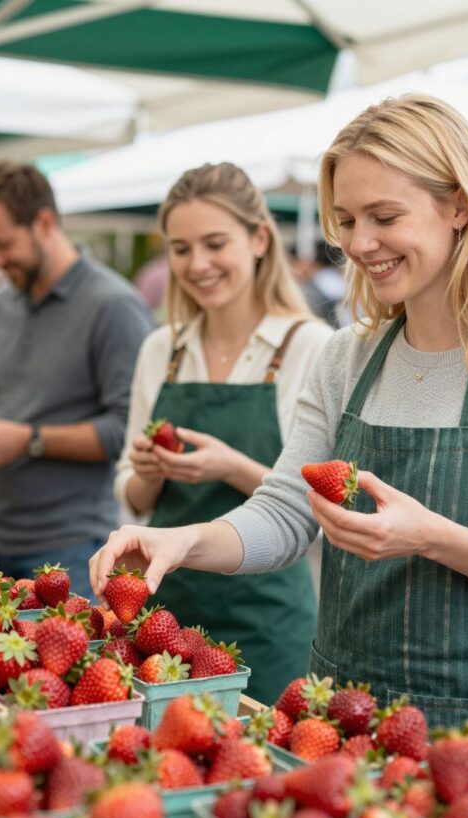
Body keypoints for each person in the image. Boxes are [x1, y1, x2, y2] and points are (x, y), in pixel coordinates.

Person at [91, 95, 468, 754]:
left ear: (459, 205)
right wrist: (183, 541)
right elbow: (285, 513)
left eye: (385, 216)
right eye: (345, 220)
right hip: (341, 721)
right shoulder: (347, 357)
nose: (360, 243)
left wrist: (432, 537)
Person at [115, 163, 333, 703]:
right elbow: (134, 497)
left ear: (260, 239)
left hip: (267, 618)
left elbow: (327, 507)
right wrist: (146, 472)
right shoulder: (161, 350)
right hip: (165, 615)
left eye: (215, 244)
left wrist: (229, 466)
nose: (198, 264)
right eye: (181, 249)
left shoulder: (312, 347)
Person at [0, 162, 153, 581]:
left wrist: (28, 440)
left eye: (3, 244)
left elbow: (128, 430)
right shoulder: (3, 304)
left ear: (44, 222)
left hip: (72, 549)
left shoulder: (113, 307)